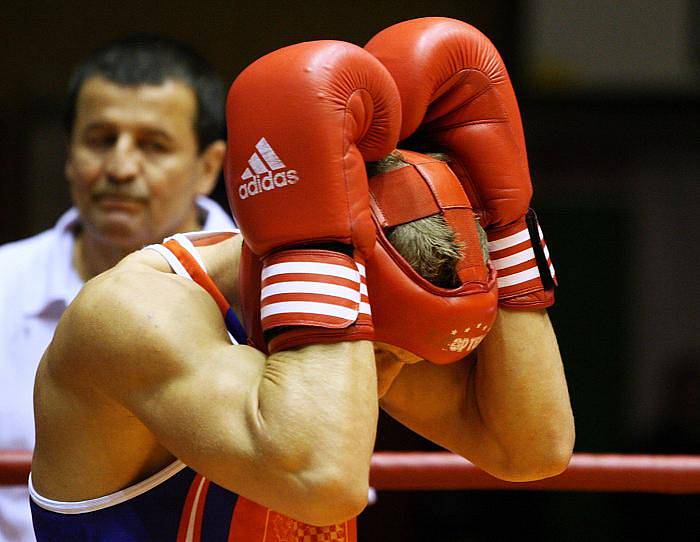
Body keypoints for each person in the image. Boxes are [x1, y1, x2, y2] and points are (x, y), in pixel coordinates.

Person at [30, 24, 574, 542]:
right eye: (378, 351)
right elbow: (323, 481)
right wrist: (316, 238)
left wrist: (506, 226)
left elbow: (533, 448)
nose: (382, 377)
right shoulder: (132, 314)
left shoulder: (369, 317)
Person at [0, 34, 233, 541]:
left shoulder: (277, 284)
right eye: (101, 139)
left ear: (208, 167)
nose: (121, 167)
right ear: (69, 153)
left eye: (154, 146)